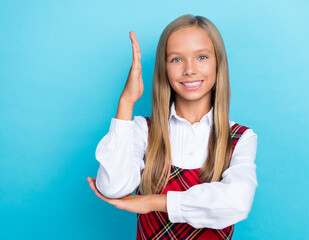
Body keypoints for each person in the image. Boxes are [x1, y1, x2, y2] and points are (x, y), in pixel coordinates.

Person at [87, 14, 258, 240]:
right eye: (176, 59)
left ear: (218, 63)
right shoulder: (143, 130)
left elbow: (237, 202)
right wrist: (126, 101)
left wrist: (151, 202)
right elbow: (112, 187)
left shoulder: (239, 138)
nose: (189, 69)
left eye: (202, 57)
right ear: (164, 68)